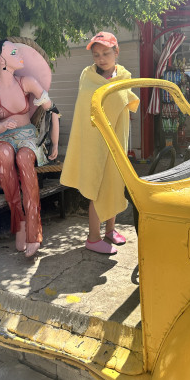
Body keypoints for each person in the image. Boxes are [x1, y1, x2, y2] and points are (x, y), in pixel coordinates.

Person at [0, 40, 59, 259]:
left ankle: (34, 230)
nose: (19, 55)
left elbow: (52, 109)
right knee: (3, 154)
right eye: (14, 52)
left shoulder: (26, 82)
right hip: (4, 137)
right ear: (1, 59)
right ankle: (19, 221)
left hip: (27, 136)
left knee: (23, 158)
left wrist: (54, 142)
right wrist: (3, 125)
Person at [60, 32, 139, 255]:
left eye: (106, 53)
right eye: (96, 55)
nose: (101, 59)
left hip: (116, 140)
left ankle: (110, 230)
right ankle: (93, 238)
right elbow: (85, 110)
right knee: (97, 187)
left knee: (114, 184)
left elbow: (125, 102)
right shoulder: (88, 77)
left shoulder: (124, 76)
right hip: (94, 141)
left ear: (116, 52)